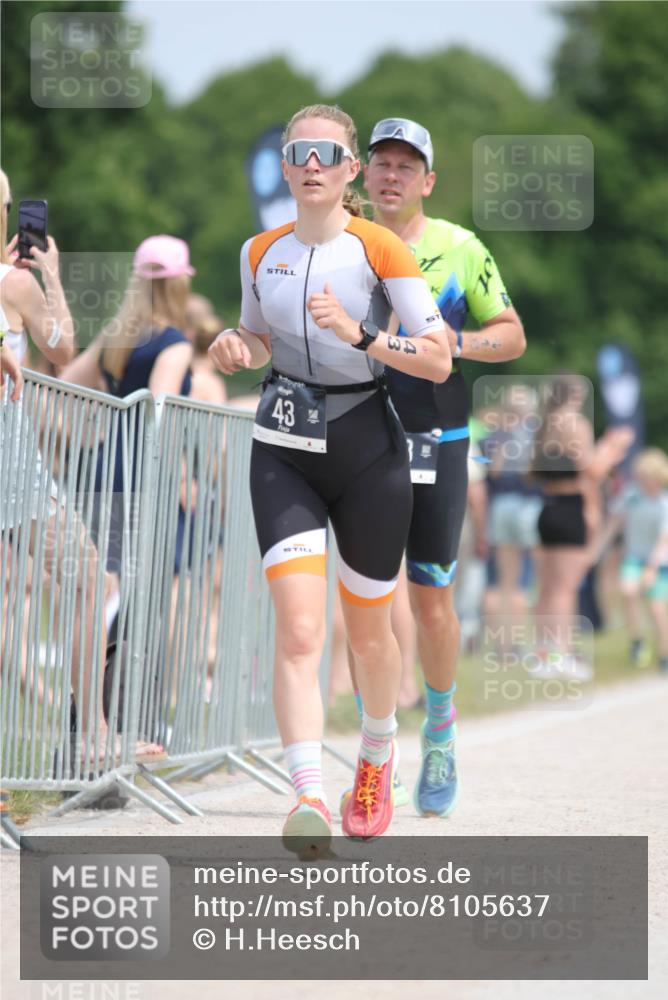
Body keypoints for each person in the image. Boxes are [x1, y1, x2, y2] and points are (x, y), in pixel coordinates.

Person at [209, 104, 451, 847]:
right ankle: (307, 795)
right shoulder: (259, 251)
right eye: (298, 153)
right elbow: (257, 336)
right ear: (285, 169)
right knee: (299, 629)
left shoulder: (381, 249)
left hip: (368, 450)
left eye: (326, 154)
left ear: (350, 170)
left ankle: (377, 752)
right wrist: (235, 346)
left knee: (370, 636)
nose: (311, 165)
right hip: (284, 448)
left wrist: (362, 334)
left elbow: (438, 358)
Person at [353, 117, 526, 818]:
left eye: (407, 166)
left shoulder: (461, 247)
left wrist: (455, 341)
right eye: (382, 163)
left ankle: (441, 728)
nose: (392, 175)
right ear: (364, 173)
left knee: (430, 600)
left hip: (438, 439)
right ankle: (378, 751)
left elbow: (511, 337)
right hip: (360, 440)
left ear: (428, 181)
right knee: (367, 602)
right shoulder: (341, 242)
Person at [0, 168, 130, 765]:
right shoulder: (14, 283)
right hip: (12, 464)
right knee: (86, 580)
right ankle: (92, 736)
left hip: (17, 463)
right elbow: (62, 348)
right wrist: (49, 277)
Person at [61, 235, 195, 576]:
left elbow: (67, 383)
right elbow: (158, 417)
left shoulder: (117, 333)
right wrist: (182, 479)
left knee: (107, 577)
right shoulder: (174, 344)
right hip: (147, 470)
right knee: (157, 579)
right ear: (179, 285)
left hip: (107, 463)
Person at [532, 373, 633, 673]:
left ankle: (543, 655)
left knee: (548, 589)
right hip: (570, 509)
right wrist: (612, 449)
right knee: (565, 589)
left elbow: (532, 473)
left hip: (548, 507)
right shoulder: (575, 423)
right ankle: (560, 655)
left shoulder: (544, 424)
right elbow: (592, 471)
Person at [597, 448, 668, 672]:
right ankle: (637, 641)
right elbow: (613, 523)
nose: (643, 482)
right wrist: (597, 550)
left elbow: (663, 542)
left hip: (658, 562)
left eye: (647, 478)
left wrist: (651, 569)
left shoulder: (664, 504)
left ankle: (664, 653)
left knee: (656, 608)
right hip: (634, 557)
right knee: (628, 591)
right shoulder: (631, 496)